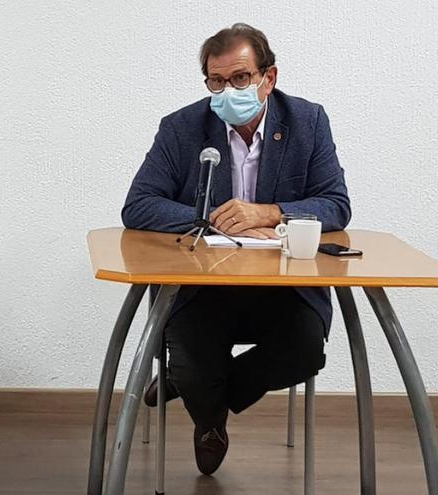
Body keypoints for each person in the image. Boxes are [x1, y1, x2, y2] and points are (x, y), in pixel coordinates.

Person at [122, 23, 350, 475]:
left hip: (283, 288)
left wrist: (269, 212)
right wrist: (209, 221)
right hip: (202, 288)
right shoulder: (182, 128)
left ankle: (196, 390)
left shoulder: (308, 121)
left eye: (241, 78)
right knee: (190, 352)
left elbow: (336, 205)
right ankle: (209, 421)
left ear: (269, 77)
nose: (229, 90)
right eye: (217, 81)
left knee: (305, 349)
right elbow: (139, 205)